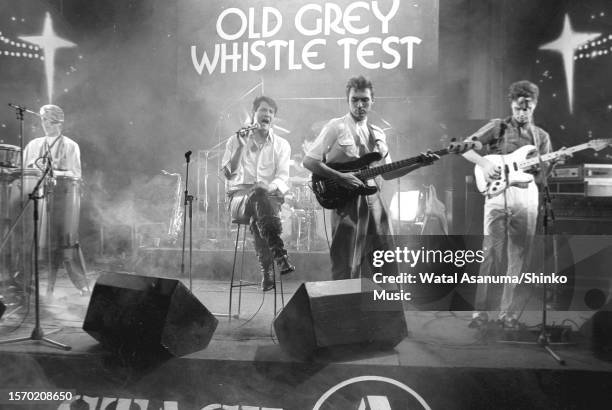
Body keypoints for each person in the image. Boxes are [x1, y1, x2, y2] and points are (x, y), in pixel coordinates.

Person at [303, 75, 434, 280]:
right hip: (345, 200)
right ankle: (343, 308)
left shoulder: (378, 133)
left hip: (374, 200)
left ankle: (385, 308)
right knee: (345, 261)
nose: (359, 104)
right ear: (348, 100)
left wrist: (418, 163)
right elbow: (309, 161)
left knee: (385, 257)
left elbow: (388, 172)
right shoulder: (335, 126)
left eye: (364, 99)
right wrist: (341, 178)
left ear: (373, 101)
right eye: (354, 99)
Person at [462, 80, 563, 328]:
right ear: (512, 103)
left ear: (535, 105)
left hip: (526, 196)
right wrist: (485, 164)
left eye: (527, 108)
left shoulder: (541, 137)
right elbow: (466, 148)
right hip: (496, 195)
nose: (522, 112)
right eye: (518, 107)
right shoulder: (497, 127)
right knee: (490, 253)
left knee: (519, 257)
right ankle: (480, 313)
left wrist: (554, 162)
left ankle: (508, 315)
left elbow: (540, 178)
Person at [221, 96, 295, 291]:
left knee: (260, 205)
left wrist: (266, 187)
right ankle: (279, 257)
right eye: (263, 110)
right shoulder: (235, 140)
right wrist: (240, 147)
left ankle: (268, 270)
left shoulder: (282, 145)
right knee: (258, 200)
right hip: (239, 199)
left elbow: (282, 178)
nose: (267, 114)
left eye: (271, 112)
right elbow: (229, 173)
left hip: (267, 199)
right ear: (254, 114)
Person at [22, 104, 89, 296]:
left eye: (50, 120)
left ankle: (81, 283)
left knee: (67, 244)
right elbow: (23, 170)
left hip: (62, 201)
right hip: (36, 200)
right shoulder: (33, 145)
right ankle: (24, 282)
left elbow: (75, 174)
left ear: (59, 121)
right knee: (30, 240)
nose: (45, 124)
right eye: (43, 119)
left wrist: (53, 172)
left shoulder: (70, 145)